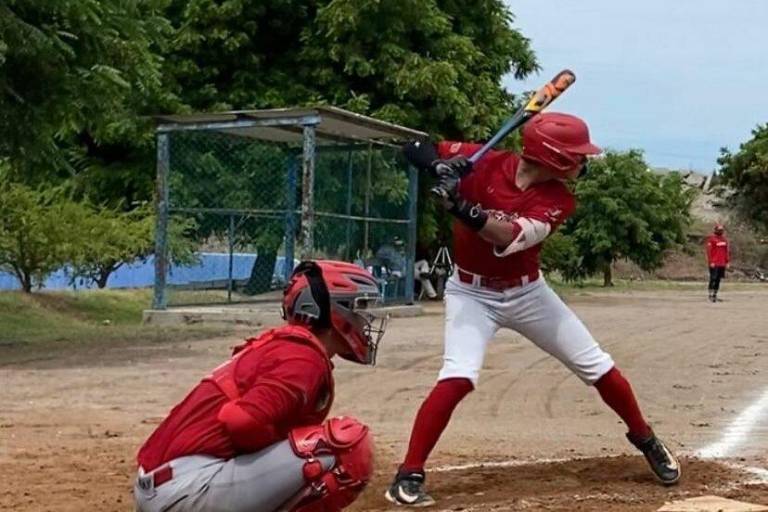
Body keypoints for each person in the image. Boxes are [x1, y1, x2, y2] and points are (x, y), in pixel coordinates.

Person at [386, 112, 681, 507]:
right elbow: (415, 144)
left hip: (527, 294)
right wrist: (438, 165)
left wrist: (460, 207)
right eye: (577, 155)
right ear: (554, 157)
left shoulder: (558, 198)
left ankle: (645, 438)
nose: (583, 162)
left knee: (597, 366)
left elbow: (507, 235)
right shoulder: (484, 161)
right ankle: (409, 473)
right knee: (458, 376)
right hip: (471, 293)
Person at [133, 260, 387, 512]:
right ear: (333, 310)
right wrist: (275, 443)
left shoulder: (290, 346)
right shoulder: (303, 358)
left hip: (172, 481)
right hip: (186, 487)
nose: (366, 319)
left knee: (297, 447)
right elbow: (239, 420)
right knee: (346, 444)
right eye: (359, 306)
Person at [706, 223, 730, 302]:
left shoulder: (724, 240)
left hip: (722, 263)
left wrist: (727, 262)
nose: (720, 231)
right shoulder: (711, 239)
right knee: (713, 278)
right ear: (715, 230)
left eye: (721, 230)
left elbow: (726, 251)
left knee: (718, 279)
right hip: (714, 263)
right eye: (719, 230)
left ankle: (715, 295)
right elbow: (709, 251)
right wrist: (711, 261)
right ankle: (710, 295)